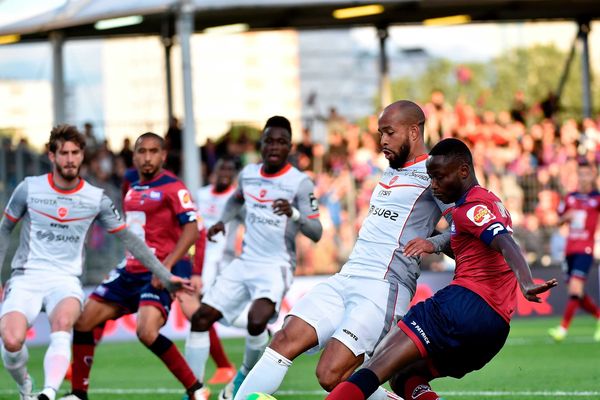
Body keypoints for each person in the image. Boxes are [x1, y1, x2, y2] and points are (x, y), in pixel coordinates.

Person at [235, 100, 453, 400]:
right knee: (285, 338)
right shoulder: (390, 170)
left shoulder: (434, 175)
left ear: (414, 131)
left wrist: (434, 243)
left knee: (330, 374)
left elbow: (463, 229)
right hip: (347, 276)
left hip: (384, 286)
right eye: (380, 133)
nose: (382, 141)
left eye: (389, 132)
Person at [325, 138, 558, 400]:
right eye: (430, 178)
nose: (433, 186)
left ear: (463, 171)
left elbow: (505, 242)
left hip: (462, 306)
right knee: (405, 377)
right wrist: (433, 244)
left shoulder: (471, 208)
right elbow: (473, 247)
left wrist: (525, 281)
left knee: (374, 368)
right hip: (494, 329)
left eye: (439, 177)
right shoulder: (489, 203)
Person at [0, 125, 184, 400]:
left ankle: (48, 393)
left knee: (63, 323)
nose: (70, 159)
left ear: (82, 155)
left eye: (75, 153)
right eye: (64, 153)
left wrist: (164, 273)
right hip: (26, 277)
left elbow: (131, 240)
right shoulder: (30, 189)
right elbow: (4, 229)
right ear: (52, 156)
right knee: (12, 341)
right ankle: (25, 384)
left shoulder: (94, 198)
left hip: (66, 281)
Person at [61, 132, 208, 400]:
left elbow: (192, 230)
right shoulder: (131, 184)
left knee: (147, 332)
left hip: (158, 271)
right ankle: (78, 394)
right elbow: (133, 232)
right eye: (142, 151)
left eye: (154, 151)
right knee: (83, 322)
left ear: (163, 155)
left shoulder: (174, 188)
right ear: (134, 155)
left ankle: (196, 389)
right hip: (130, 269)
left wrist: (165, 268)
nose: (147, 157)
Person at [187, 116, 323, 399]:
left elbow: (316, 232)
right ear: (261, 144)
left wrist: (294, 214)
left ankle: (242, 379)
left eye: (281, 142)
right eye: (269, 141)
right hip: (245, 260)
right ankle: (195, 391)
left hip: (276, 265)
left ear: (290, 146)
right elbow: (236, 199)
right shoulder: (248, 174)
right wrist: (223, 221)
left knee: (256, 319)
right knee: (200, 318)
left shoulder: (299, 183)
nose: (274, 146)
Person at [185, 157, 241, 385]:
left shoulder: (237, 197)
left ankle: (257, 332)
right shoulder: (202, 194)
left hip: (223, 263)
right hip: (200, 261)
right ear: (214, 171)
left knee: (208, 312)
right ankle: (223, 366)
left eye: (229, 168)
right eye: (222, 168)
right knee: (198, 312)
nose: (225, 172)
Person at [548, 162, 600, 342]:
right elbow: (558, 221)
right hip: (569, 250)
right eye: (582, 174)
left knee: (575, 291)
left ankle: (562, 330)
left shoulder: (597, 198)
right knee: (576, 294)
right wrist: (564, 218)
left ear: (593, 177)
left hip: (585, 250)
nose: (584, 178)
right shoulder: (570, 197)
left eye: (588, 174)